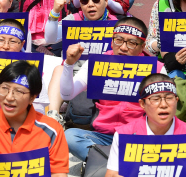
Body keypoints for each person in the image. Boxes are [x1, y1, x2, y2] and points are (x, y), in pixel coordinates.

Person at [59, 17, 165, 160]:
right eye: (118, 40)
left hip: (138, 137)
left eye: (132, 43)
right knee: (70, 137)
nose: (123, 47)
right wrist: (69, 64)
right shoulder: (97, 62)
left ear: (142, 46)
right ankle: (118, 163)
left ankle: (102, 162)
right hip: (102, 136)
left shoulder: (157, 69)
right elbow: (67, 94)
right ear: (112, 40)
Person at [104, 73, 186, 177]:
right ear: (142, 104)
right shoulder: (125, 134)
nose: (163, 105)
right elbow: (111, 174)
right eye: (155, 99)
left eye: (169, 98)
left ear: (176, 101)